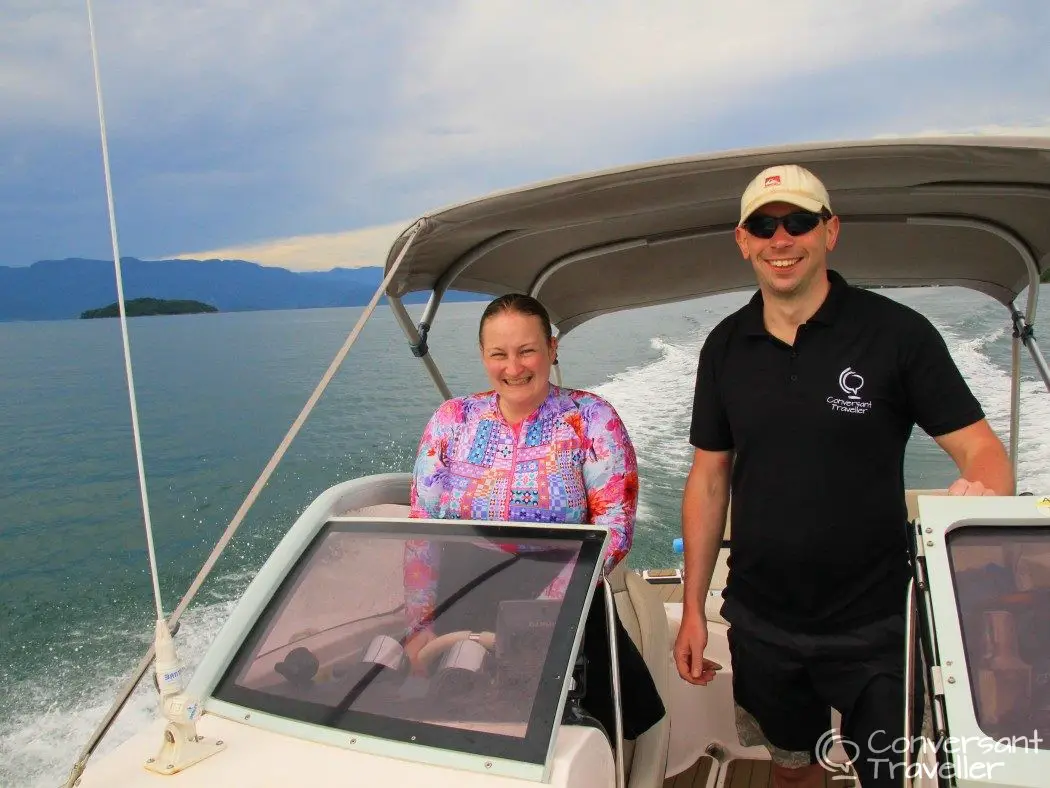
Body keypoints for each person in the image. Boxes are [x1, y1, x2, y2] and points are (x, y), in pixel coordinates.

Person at [672, 164, 1014, 788]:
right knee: (791, 768)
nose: (782, 239)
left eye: (799, 222)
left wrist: (979, 492)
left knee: (885, 773)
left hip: (879, 623)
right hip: (761, 620)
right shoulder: (724, 348)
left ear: (831, 232)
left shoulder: (895, 334)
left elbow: (985, 454)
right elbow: (709, 479)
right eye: (764, 225)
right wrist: (693, 608)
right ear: (742, 239)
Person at [405, 292, 665, 740]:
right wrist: (418, 623)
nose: (514, 367)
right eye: (498, 354)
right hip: (466, 594)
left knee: (579, 736)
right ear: (482, 355)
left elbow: (614, 528)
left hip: (567, 595)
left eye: (527, 350)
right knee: (466, 730)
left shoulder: (592, 419)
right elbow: (422, 532)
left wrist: (543, 614)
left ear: (552, 348)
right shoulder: (451, 420)